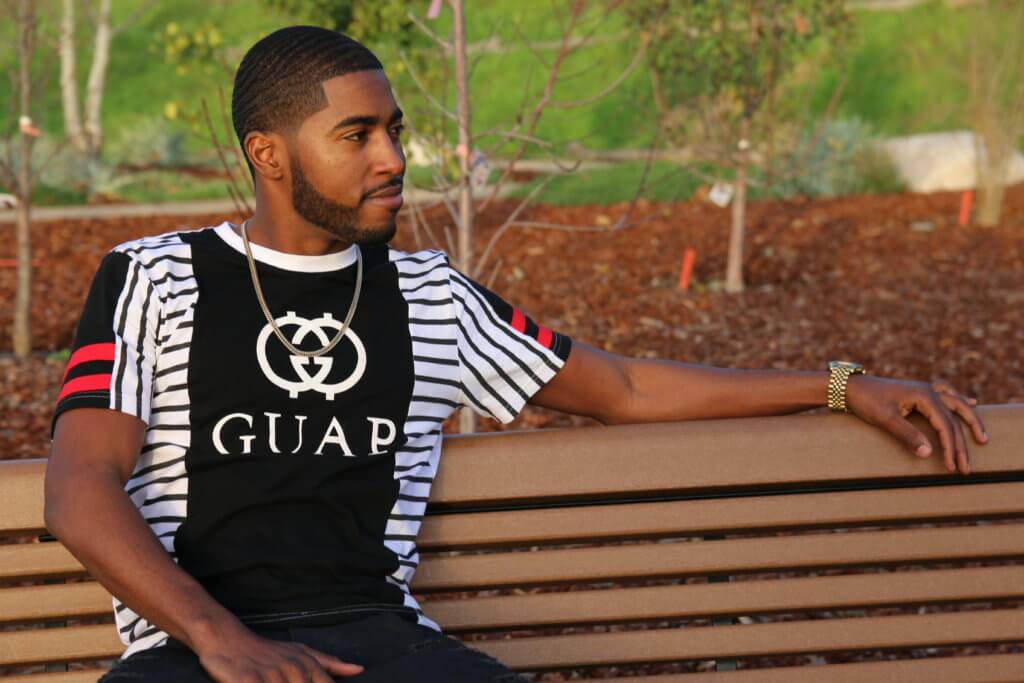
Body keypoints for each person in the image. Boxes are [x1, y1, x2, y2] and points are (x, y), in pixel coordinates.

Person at [45, 26, 988, 683]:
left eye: (396, 131)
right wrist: (220, 639)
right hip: (191, 651)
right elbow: (81, 486)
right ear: (270, 154)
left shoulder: (429, 296)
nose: (392, 159)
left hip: (380, 644)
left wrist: (839, 384)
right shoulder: (155, 278)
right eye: (357, 135)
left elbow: (620, 386)